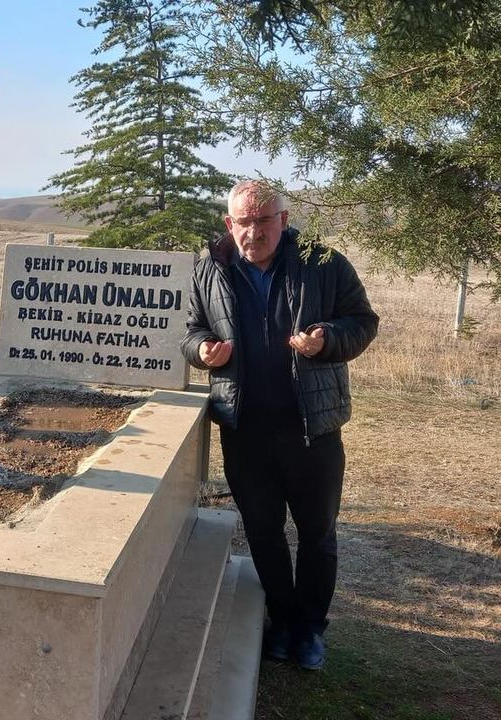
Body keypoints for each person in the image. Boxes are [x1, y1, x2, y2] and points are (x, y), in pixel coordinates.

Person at [181, 179, 378, 671]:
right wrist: (202, 350)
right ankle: (282, 620)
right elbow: (191, 330)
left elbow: (362, 321)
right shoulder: (209, 269)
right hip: (244, 429)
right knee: (263, 532)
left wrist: (327, 338)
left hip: (312, 428)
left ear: (284, 221)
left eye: (264, 220)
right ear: (229, 224)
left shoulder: (323, 262)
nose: (254, 232)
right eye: (244, 222)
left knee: (317, 534)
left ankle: (310, 629)